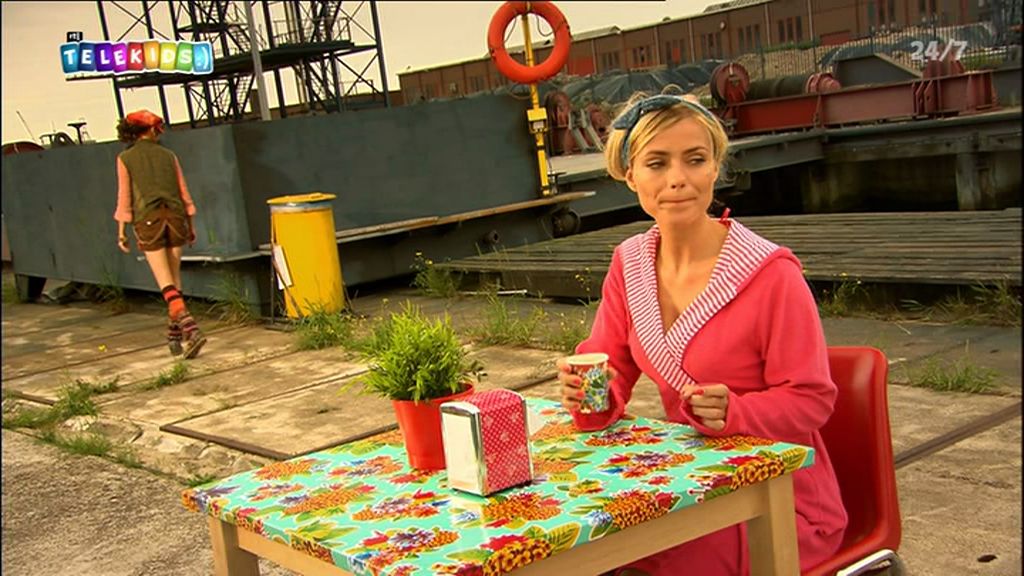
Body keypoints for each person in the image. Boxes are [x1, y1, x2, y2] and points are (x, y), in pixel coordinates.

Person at [555, 92, 847, 575]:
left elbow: (812, 399)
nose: (678, 179)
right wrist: (587, 393)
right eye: (657, 163)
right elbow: (610, 369)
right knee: (576, 547)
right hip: (689, 486)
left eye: (694, 160)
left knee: (642, 562)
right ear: (630, 175)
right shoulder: (629, 264)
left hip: (778, 502)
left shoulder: (772, 275)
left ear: (715, 168)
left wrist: (738, 412)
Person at [113, 109, 207, 359]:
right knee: (175, 282)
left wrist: (121, 231)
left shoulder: (125, 158)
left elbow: (125, 197)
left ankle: (191, 329)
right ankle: (174, 338)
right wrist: (191, 225)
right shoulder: (169, 155)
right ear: (152, 129)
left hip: (149, 220)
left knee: (166, 283)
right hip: (176, 218)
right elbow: (183, 192)